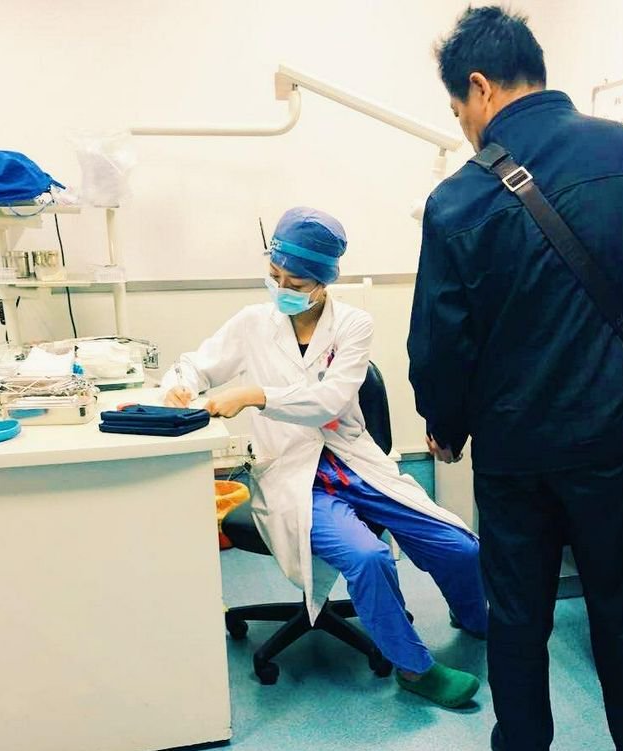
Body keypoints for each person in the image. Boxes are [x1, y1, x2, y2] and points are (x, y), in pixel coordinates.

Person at [407, 6, 623, 751]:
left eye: (458, 110)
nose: (464, 128)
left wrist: (444, 427)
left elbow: (439, 345)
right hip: (614, 441)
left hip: (513, 454)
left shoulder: (456, 202)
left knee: (518, 611)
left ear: (480, 88)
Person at [162, 207, 487, 708]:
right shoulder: (252, 323)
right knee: (368, 556)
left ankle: (474, 617)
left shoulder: (353, 324)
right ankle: (413, 669)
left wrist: (254, 395)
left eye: (296, 282)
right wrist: (180, 386)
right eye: (274, 276)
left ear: (324, 280)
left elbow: (329, 402)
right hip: (293, 473)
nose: (281, 288)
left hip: (353, 462)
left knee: (461, 546)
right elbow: (195, 366)